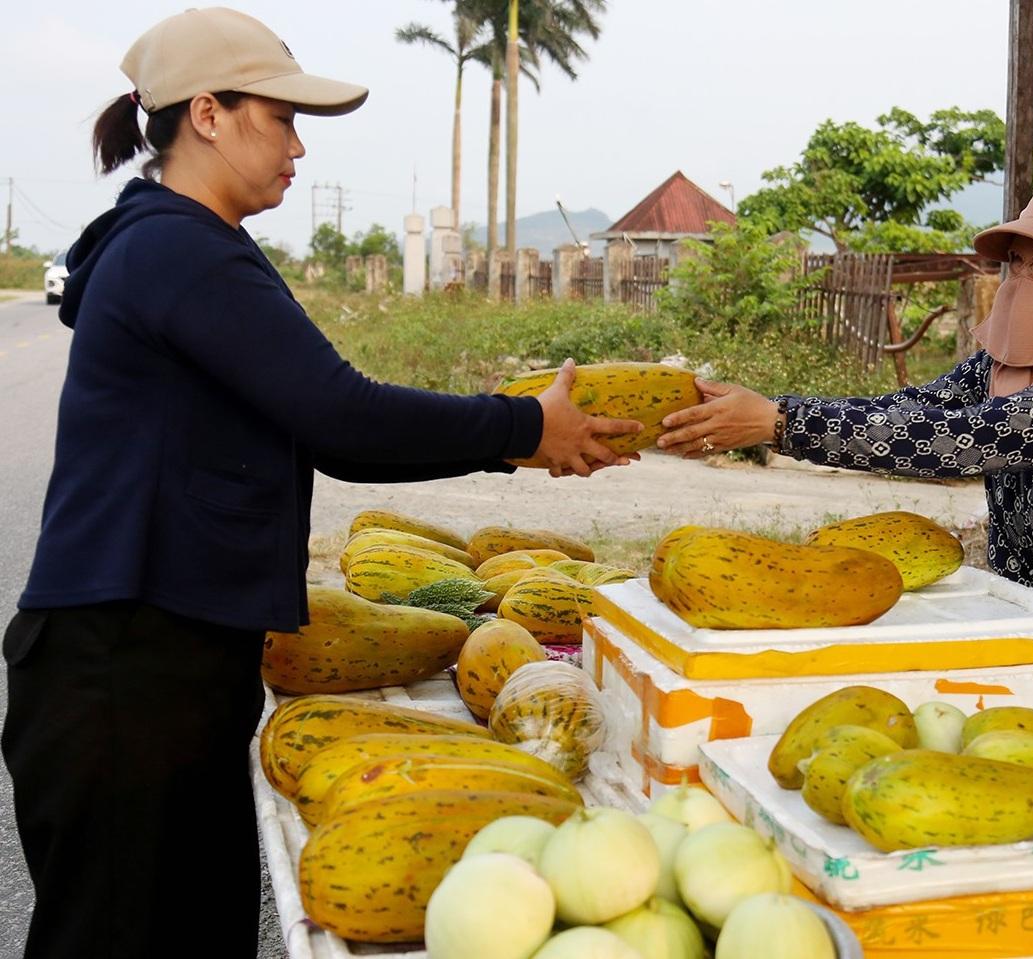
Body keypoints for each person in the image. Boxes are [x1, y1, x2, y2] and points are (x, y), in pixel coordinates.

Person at [0, 8, 641, 958]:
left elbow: (331, 437)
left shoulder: (181, 244)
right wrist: (521, 426)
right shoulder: (177, 248)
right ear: (208, 114)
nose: (299, 148)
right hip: (123, 670)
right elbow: (343, 410)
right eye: (283, 118)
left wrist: (519, 439)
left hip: (161, 658)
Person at [659, 180, 1033, 759]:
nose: (1025, 277)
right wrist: (773, 409)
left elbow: (965, 438)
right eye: (1017, 260)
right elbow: (913, 411)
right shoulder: (1002, 362)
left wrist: (783, 425)